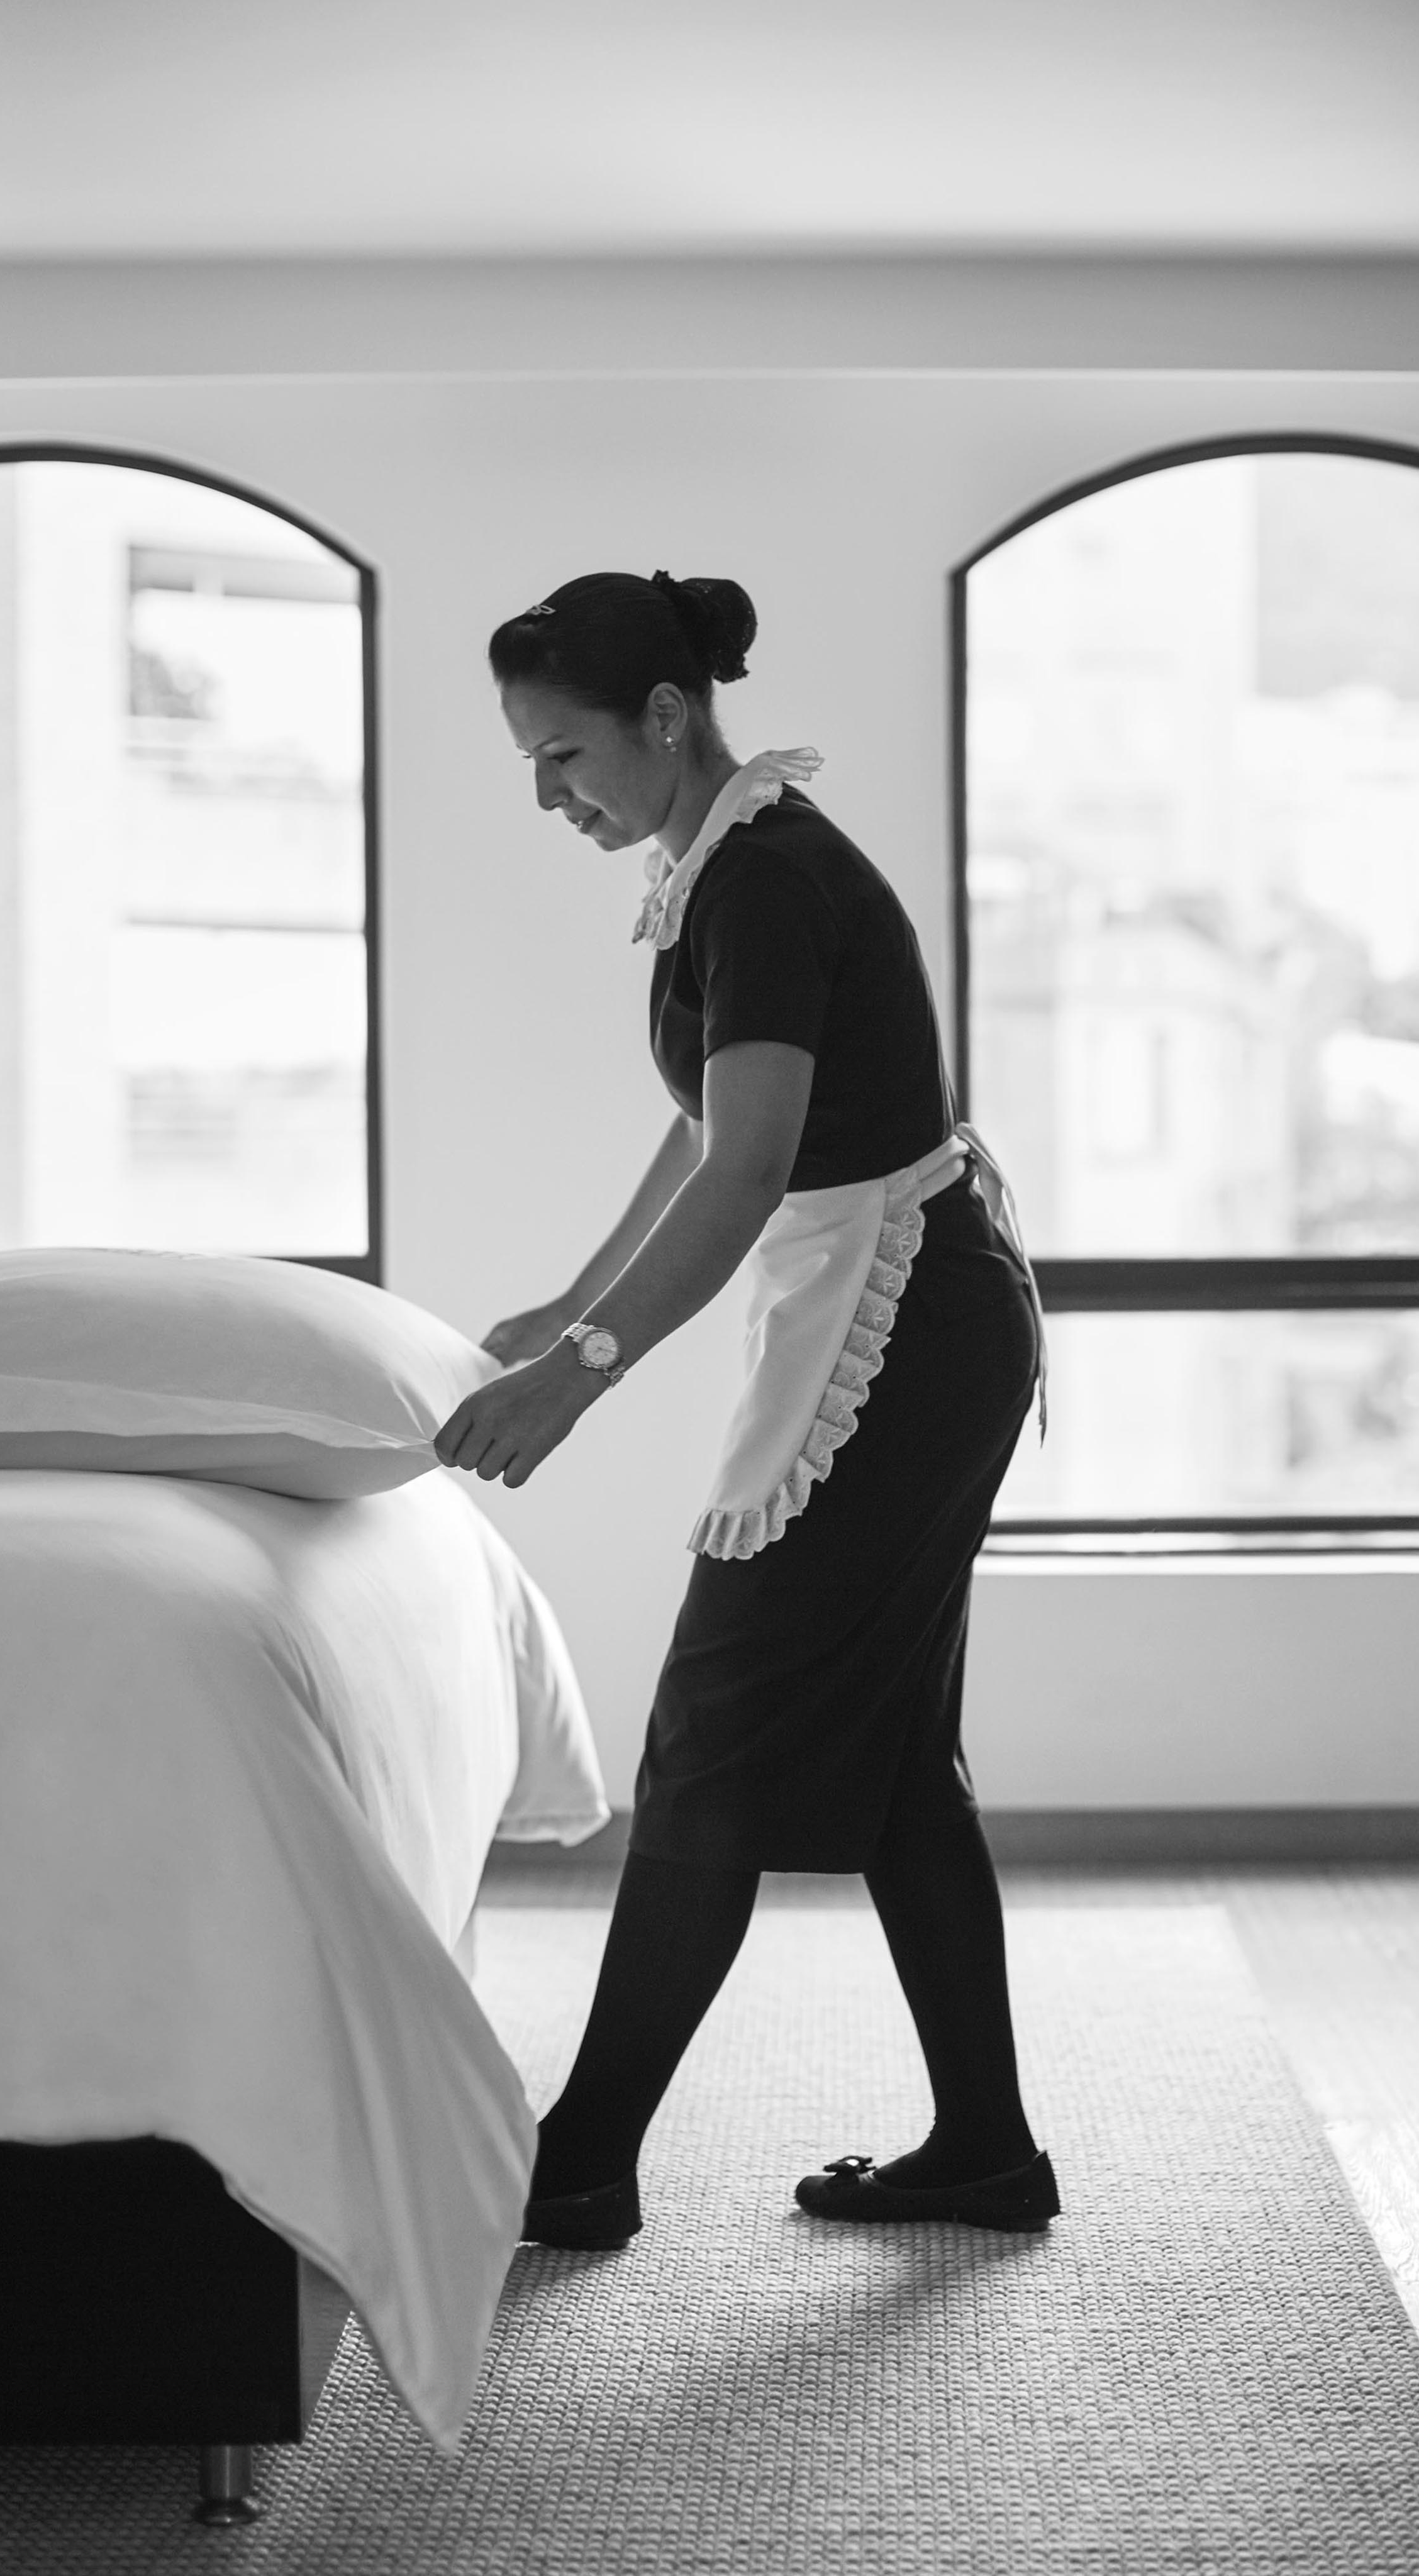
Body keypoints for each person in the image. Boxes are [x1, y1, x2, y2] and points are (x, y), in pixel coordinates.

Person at [436, 568, 1057, 2250]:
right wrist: (577, 1297)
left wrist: (578, 1379)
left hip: (901, 1330)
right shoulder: (713, 867)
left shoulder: (766, 880)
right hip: (899, 1305)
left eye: (562, 757)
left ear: (663, 718)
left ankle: (582, 2158)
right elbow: (713, 1129)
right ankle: (985, 2149)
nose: (548, 794)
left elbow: (762, 1160)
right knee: (896, 1763)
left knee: (712, 1732)